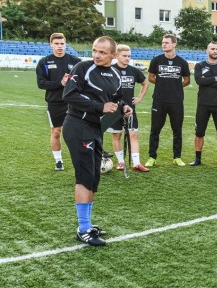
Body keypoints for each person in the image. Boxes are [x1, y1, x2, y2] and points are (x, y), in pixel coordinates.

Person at [61, 36, 130, 246]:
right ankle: (83, 229)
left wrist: (124, 108)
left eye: (102, 52)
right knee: (84, 177)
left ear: (113, 55)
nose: (97, 55)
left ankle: (87, 225)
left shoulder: (116, 74)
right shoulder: (83, 68)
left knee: (93, 178)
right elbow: (69, 95)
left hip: (96, 129)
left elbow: (116, 99)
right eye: (94, 51)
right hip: (77, 126)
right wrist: (99, 107)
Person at [36, 32, 81, 171]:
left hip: (74, 102)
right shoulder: (44, 62)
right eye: (57, 44)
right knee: (56, 132)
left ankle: (81, 159)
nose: (60, 46)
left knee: (78, 131)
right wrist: (60, 83)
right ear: (51, 44)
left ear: (65, 44)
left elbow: (82, 81)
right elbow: (41, 83)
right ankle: (58, 160)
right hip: (55, 102)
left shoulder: (75, 61)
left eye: (62, 43)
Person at [145, 34, 190, 167]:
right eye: (163, 42)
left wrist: (176, 85)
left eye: (167, 42)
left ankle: (177, 157)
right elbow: (150, 77)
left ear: (174, 44)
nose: (163, 44)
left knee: (177, 130)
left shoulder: (182, 62)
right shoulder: (156, 60)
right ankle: (152, 157)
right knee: (155, 130)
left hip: (176, 101)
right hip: (159, 100)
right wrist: (162, 83)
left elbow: (187, 80)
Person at [107, 44, 149, 172]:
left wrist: (139, 97)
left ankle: (137, 163)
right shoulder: (110, 70)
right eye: (124, 56)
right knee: (116, 135)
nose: (127, 58)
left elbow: (145, 83)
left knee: (134, 134)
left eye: (129, 56)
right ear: (117, 56)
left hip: (130, 109)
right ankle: (121, 162)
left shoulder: (133, 71)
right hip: (114, 109)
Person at [190, 41, 217, 166]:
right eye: (212, 49)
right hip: (203, 104)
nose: (215, 51)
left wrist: (207, 79)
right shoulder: (199, 65)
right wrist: (216, 78)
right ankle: (197, 159)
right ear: (207, 51)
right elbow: (199, 81)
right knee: (199, 132)